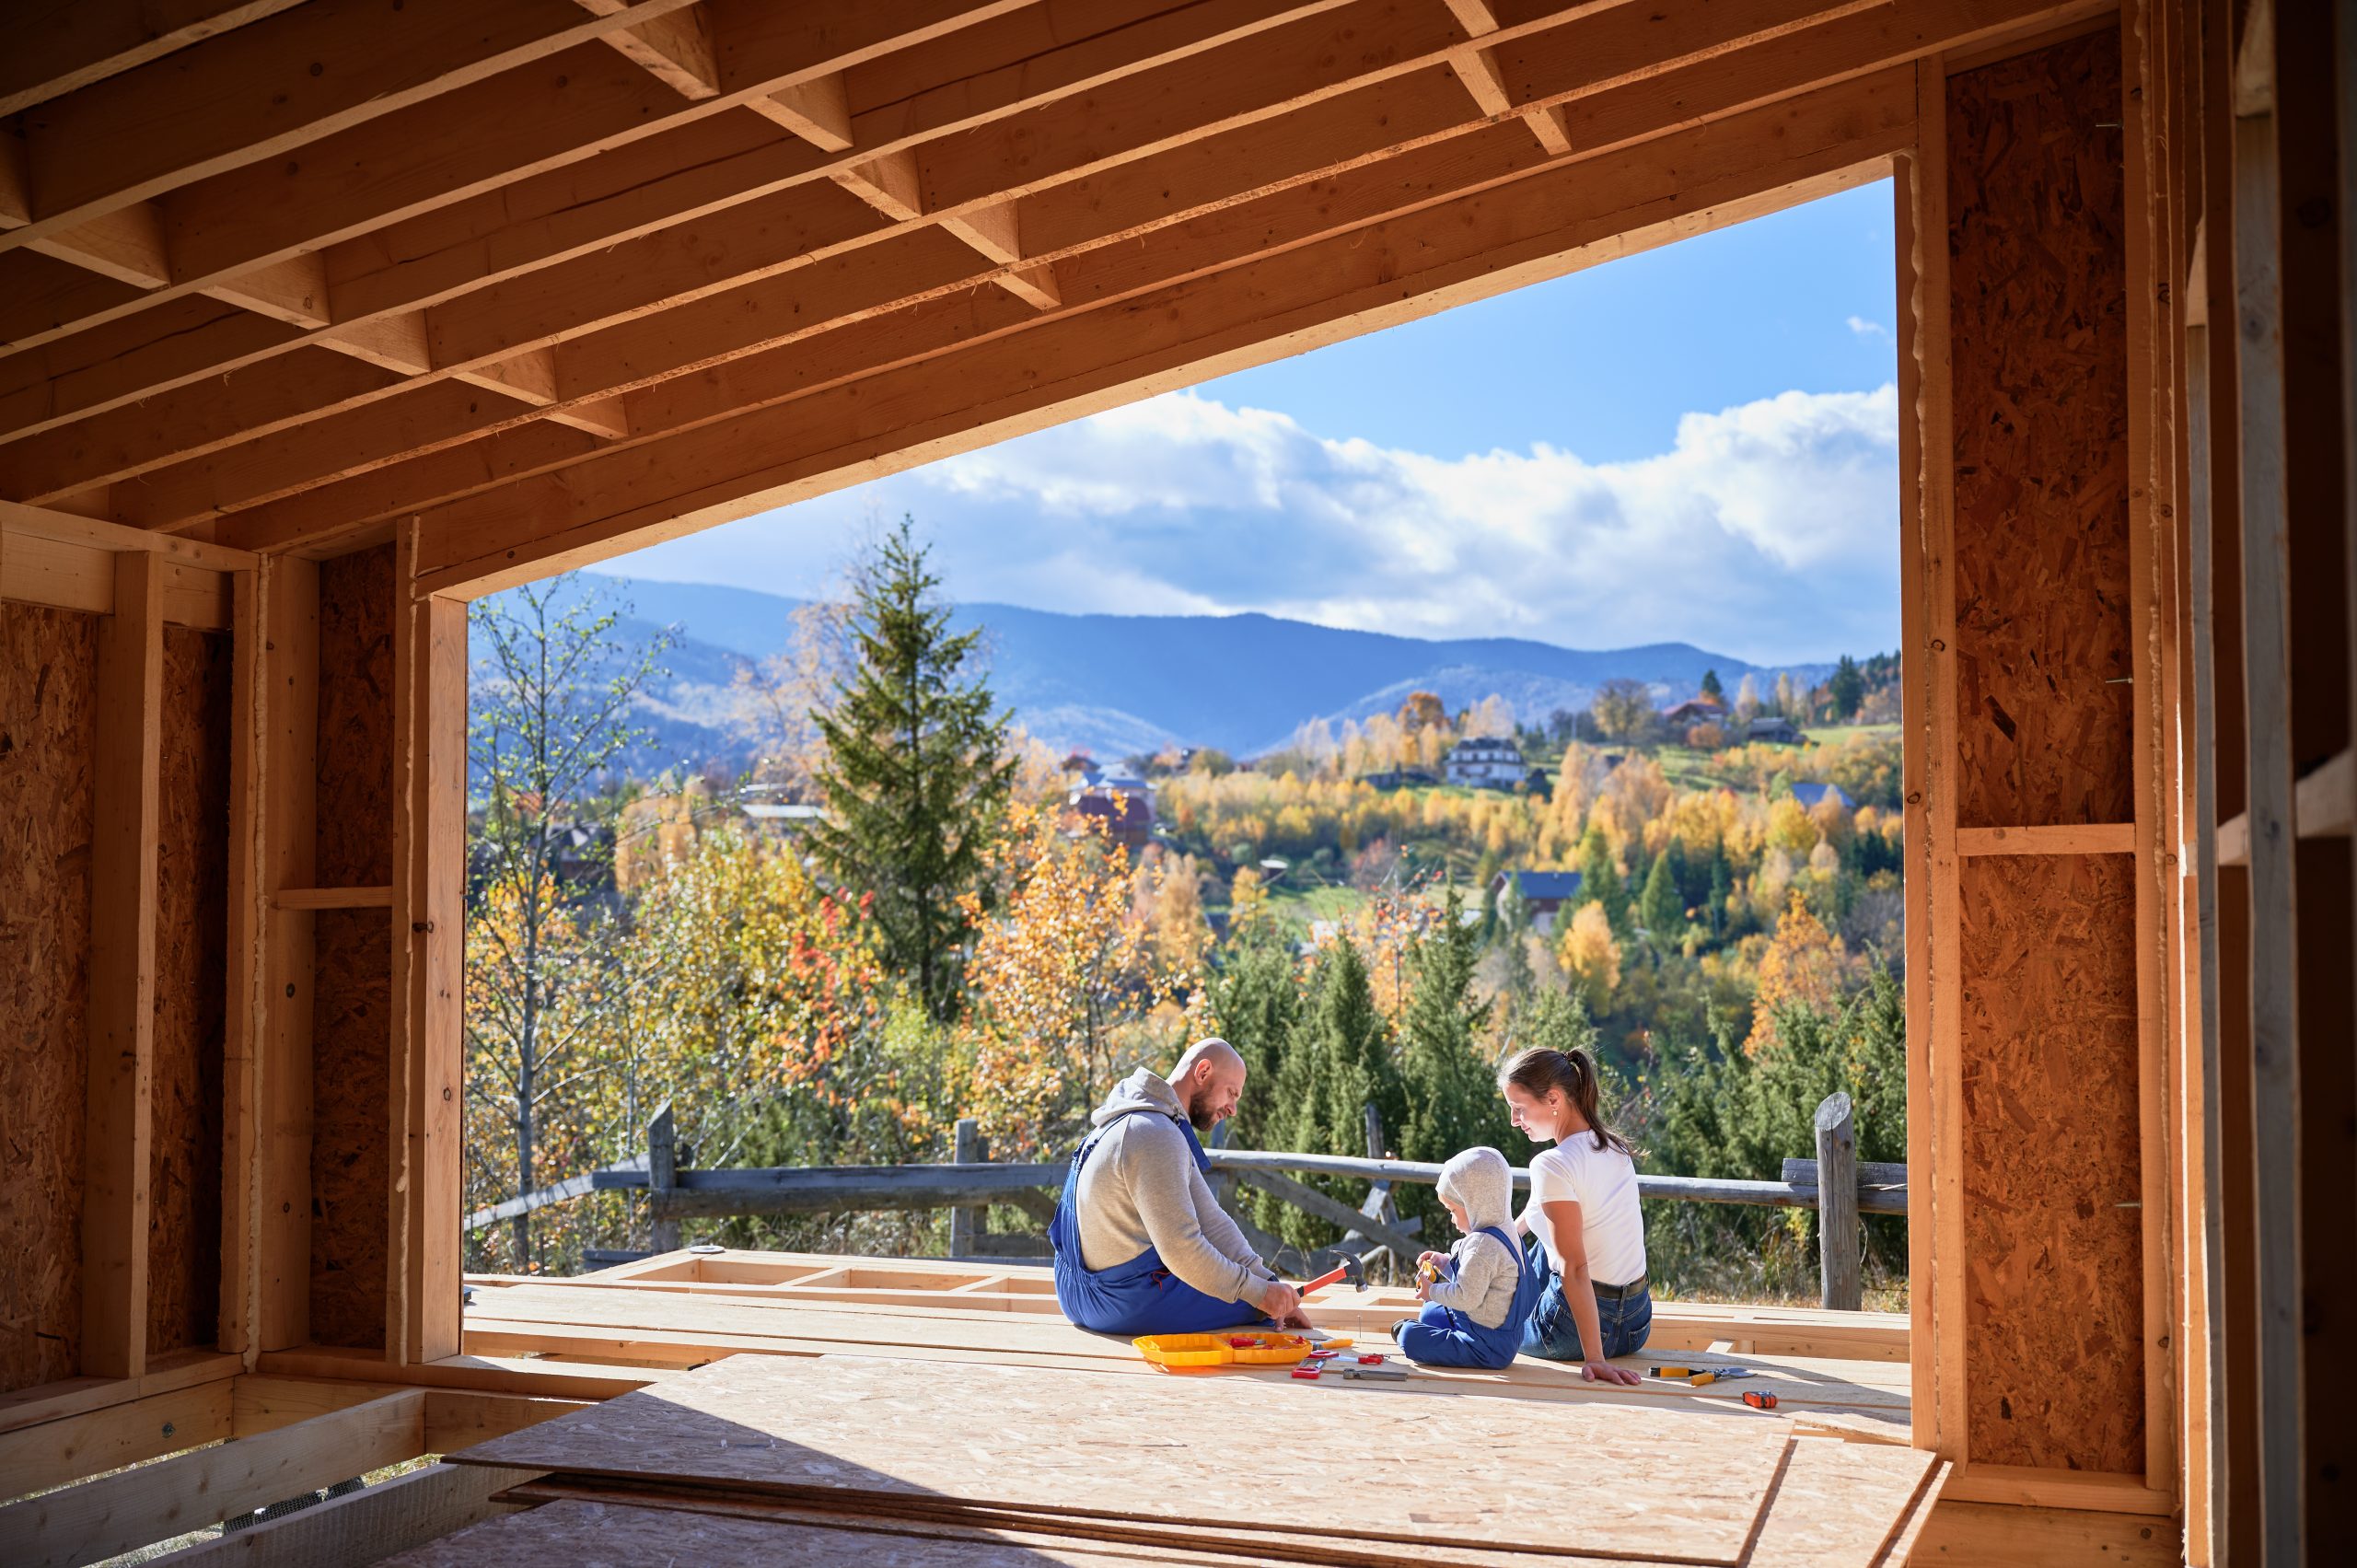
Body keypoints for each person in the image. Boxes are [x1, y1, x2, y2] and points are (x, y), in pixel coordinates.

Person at [1050, 1039, 1307, 1336]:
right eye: (1231, 1093)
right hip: (1119, 1301)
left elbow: (1214, 1224)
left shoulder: (1136, 1119)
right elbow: (1182, 1249)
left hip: (1071, 1290)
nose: (1233, 1109)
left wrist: (1271, 1283)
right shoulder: (1155, 1134)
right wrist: (1263, 1296)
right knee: (1257, 1308)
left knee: (1260, 1295)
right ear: (1203, 1072)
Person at [1500, 1045, 1649, 1381]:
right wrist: (1468, 1251)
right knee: (1540, 1245)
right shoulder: (1612, 1147)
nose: (1513, 1121)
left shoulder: (1552, 1164)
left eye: (1519, 1109)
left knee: (1487, 1325)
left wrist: (1595, 1358)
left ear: (1554, 1100)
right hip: (1637, 1323)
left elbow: (1575, 1267)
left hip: (1572, 1333)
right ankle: (1465, 1275)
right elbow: (1529, 1218)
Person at [1392, 1145, 1539, 1368]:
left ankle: (1421, 1335)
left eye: (1452, 1210)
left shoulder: (1483, 1244)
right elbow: (1478, 1278)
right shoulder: (1506, 1231)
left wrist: (1431, 1291)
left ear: (1473, 1203)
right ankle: (1441, 1335)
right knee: (1430, 1313)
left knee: (1409, 1336)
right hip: (1500, 1333)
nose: (1452, 1219)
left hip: (1484, 1346)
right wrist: (1444, 1263)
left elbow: (1466, 1296)